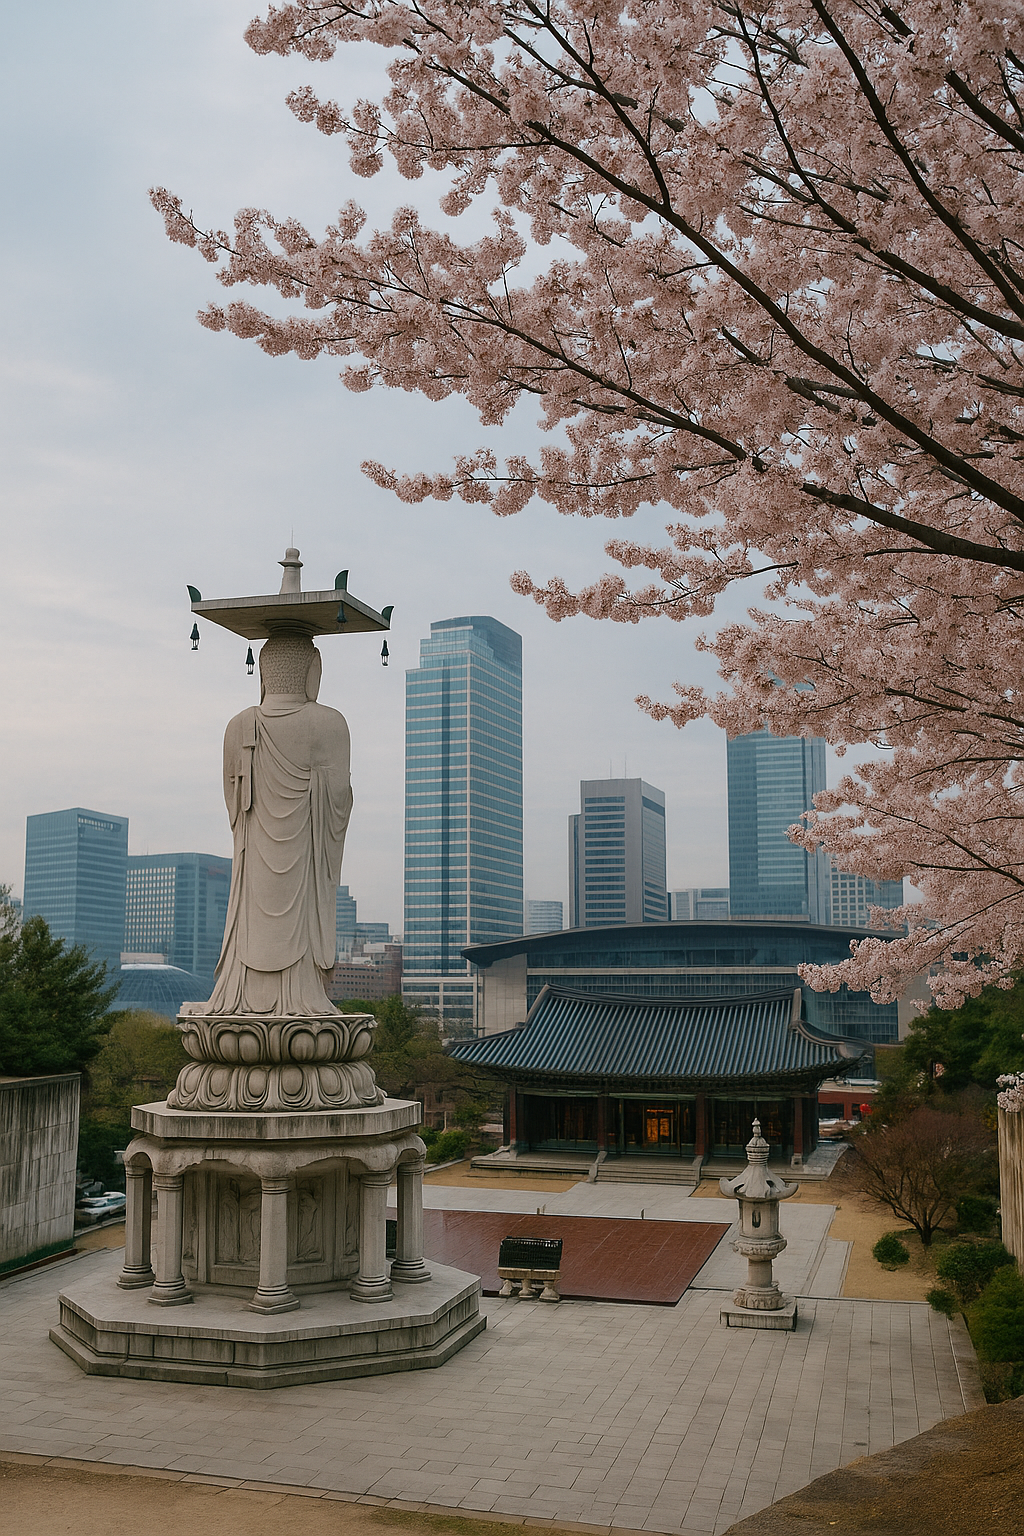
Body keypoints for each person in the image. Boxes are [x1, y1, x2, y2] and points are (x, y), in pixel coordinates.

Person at [190, 630, 352, 1018]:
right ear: (314, 672)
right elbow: (339, 801)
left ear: (263, 675)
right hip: (305, 867)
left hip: (253, 865)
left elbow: (234, 807)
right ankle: (301, 996)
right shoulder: (330, 724)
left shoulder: (238, 726)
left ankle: (241, 995)